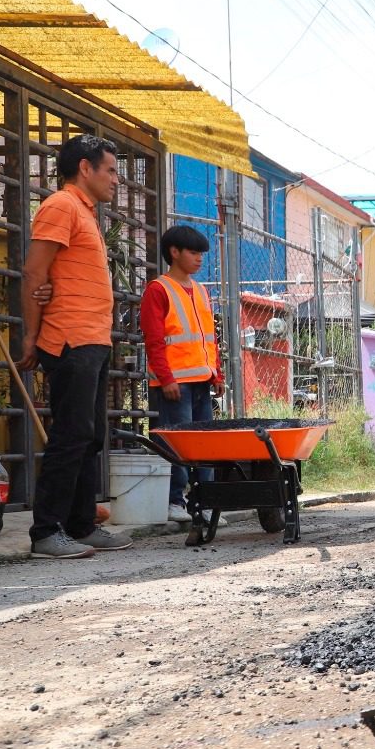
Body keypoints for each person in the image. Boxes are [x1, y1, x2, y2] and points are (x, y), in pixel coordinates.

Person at [19, 135, 134, 559]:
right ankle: (46, 532)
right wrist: (31, 336)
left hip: (93, 339)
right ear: (85, 168)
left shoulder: (84, 213)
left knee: (90, 437)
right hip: (69, 338)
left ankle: (82, 525)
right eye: (110, 170)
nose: (116, 181)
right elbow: (34, 274)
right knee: (71, 436)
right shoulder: (61, 206)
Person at [141, 225, 227, 525]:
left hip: (202, 380)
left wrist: (217, 374)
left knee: (203, 444)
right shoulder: (158, 289)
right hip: (175, 383)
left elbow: (209, 338)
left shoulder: (201, 291)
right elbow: (153, 340)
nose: (199, 259)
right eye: (193, 252)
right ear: (174, 253)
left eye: (201, 253)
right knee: (176, 443)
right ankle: (174, 501)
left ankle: (205, 502)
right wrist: (166, 379)